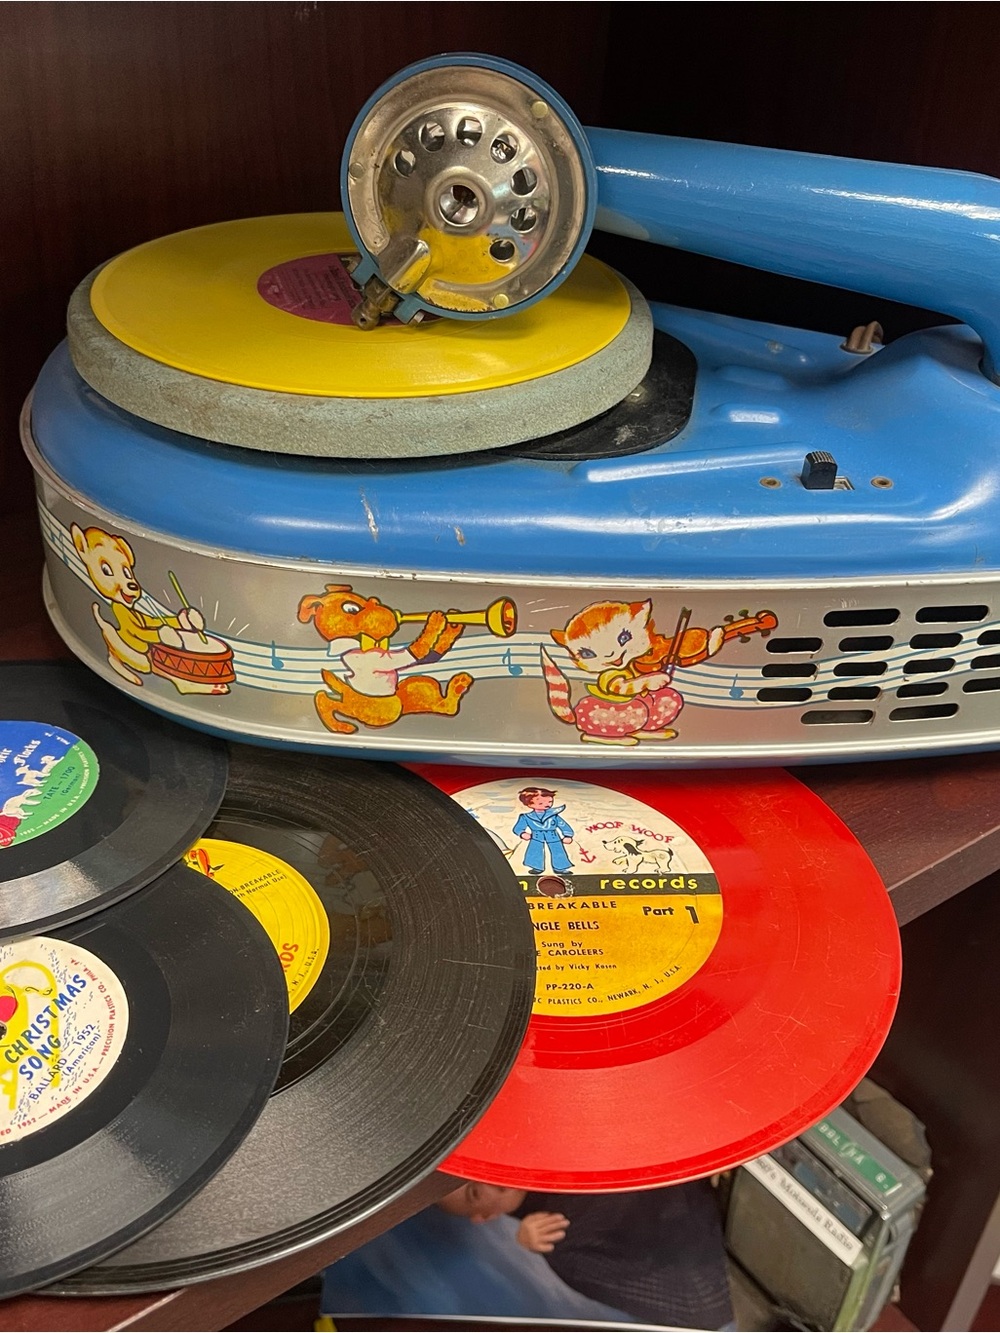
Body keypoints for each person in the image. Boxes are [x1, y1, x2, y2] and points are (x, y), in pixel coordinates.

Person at [513, 786, 575, 875]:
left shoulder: (553, 815)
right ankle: (537, 867)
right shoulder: (526, 817)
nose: (547, 804)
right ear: (529, 804)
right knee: (535, 850)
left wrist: (568, 835)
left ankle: (560, 868)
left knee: (558, 850)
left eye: (550, 802)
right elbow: (518, 828)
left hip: (553, 835)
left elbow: (563, 825)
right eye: (541, 803)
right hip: (536, 835)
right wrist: (522, 833)